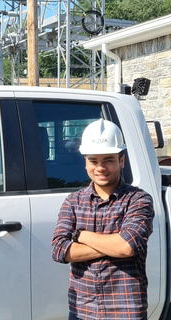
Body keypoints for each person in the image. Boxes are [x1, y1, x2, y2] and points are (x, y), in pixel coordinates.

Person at [51, 119, 154, 320]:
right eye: (93, 161)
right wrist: (112, 244)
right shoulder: (73, 202)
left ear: (121, 161)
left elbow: (126, 247)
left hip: (126, 311)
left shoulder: (138, 199)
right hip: (83, 311)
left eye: (108, 159)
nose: (100, 168)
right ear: (86, 162)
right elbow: (59, 250)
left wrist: (81, 235)